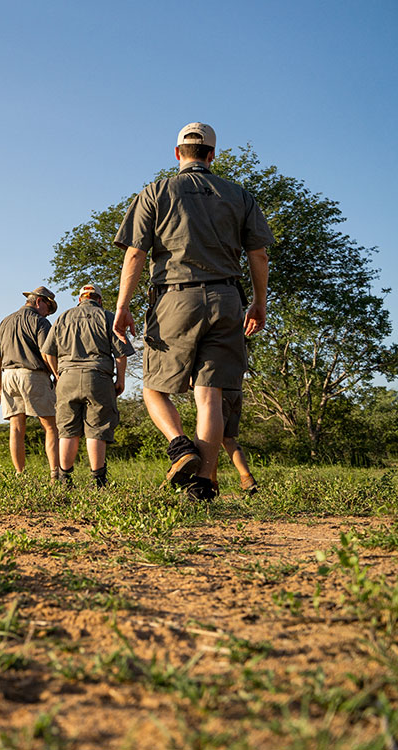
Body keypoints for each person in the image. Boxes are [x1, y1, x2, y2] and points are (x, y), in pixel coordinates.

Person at [113, 122, 272, 500]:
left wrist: (122, 306)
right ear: (212, 155)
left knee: (153, 386)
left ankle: (180, 447)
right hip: (228, 299)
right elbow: (259, 254)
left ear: (176, 153)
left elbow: (135, 252)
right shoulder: (240, 196)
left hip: (175, 298)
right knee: (210, 395)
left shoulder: (156, 192)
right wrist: (258, 303)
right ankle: (203, 483)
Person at [41, 284, 134, 488]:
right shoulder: (108, 317)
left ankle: (65, 479)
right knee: (97, 429)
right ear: (99, 300)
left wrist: (58, 374)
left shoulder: (64, 317)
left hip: (67, 378)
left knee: (67, 430)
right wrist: (120, 380)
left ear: (80, 299)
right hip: (98, 377)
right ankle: (97, 480)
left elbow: (48, 352)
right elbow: (120, 354)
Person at [0, 286, 61, 480]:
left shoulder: (5, 322)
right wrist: (57, 375)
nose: (48, 313)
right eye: (48, 307)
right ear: (39, 301)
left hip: (8, 377)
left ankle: (20, 475)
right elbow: (46, 352)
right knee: (51, 426)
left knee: (16, 428)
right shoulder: (40, 322)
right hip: (33, 376)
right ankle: (55, 474)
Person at [209, 388, 259, 495]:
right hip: (236, 391)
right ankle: (247, 479)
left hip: (219, 392)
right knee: (228, 439)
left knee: (211, 440)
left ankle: (210, 484)